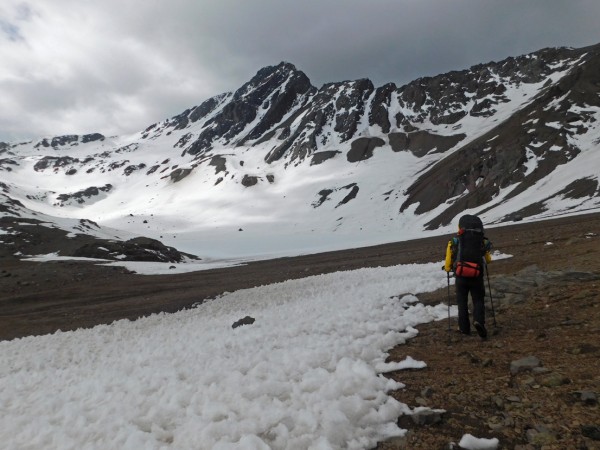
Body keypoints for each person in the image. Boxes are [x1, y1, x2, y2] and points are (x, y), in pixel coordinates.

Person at [444, 214, 493, 339]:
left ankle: (464, 329)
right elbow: (487, 260)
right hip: (476, 275)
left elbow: (449, 260)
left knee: (462, 302)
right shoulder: (481, 240)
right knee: (478, 300)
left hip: (461, 276)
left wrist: (448, 268)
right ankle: (479, 322)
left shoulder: (454, 241)